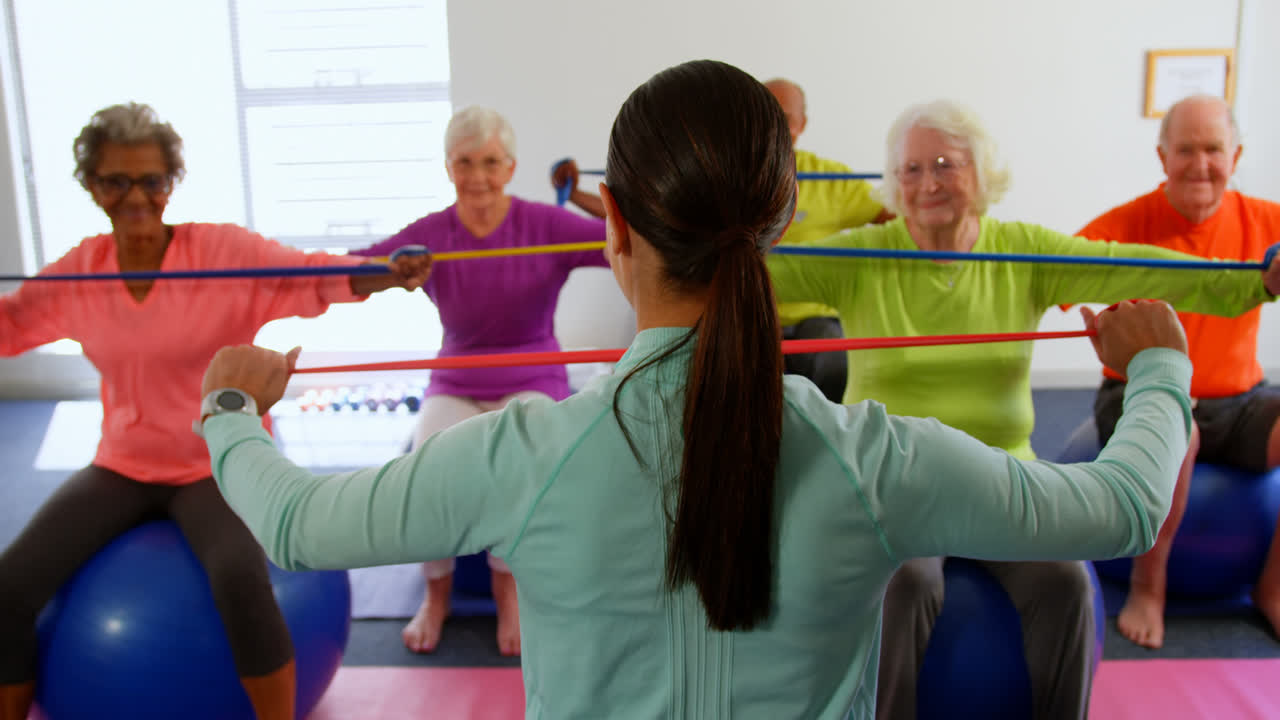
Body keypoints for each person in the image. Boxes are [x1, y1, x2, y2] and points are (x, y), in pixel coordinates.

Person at [204, 59, 1205, 719]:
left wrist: (233, 406)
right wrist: (1157, 366)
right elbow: (1119, 507)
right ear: (778, 227)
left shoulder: (528, 455)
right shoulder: (872, 457)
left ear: (615, 233)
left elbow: (297, 526)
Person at [765, 99, 1280, 720]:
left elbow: (1137, 268)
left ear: (980, 174)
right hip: (893, 480)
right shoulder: (864, 255)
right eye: (910, 170)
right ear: (894, 184)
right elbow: (760, 274)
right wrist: (643, 245)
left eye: (944, 165)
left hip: (1001, 472)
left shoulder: (1022, 252)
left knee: (1066, 583)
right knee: (904, 584)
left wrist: (1255, 282)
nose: (928, 182)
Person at [0, 102, 430, 720]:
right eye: (116, 181)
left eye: (151, 179)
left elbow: (305, 275)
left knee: (240, 581)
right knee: (9, 588)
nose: (136, 196)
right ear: (93, 187)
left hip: (215, 461)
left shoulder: (218, 253)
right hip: (122, 464)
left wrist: (384, 275)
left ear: (171, 182)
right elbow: (12, 323)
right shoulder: (82, 272)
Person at [349, 106, 609, 656]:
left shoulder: (544, 225)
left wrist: (597, 194)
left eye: (490, 162)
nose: (478, 176)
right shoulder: (431, 235)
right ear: (448, 168)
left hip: (533, 369)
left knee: (524, 466)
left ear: (510, 167)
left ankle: (507, 588)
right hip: (459, 374)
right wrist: (383, 274)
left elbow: (620, 245)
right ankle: (435, 594)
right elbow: (354, 271)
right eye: (465, 162)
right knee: (423, 471)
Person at [1078, 94, 1280, 649]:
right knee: (1177, 433)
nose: (1200, 164)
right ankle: (1149, 586)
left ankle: (1274, 589)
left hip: (1240, 401)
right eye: (1185, 150)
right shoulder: (1124, 225)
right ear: (1162, 156)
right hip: (1140, 392)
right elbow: (1057, 270)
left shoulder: (1266, 220)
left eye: (1213, 149)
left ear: (1235, 156)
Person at [551, 77, 890, 402]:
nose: (774, 127)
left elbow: (896, 219)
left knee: (825, 349)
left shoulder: (833, 179)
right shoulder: (718, 174)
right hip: (732, 309)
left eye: (784, 118)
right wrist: (575, 193)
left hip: (810, 321)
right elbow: (641, 214)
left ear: (802, 124)